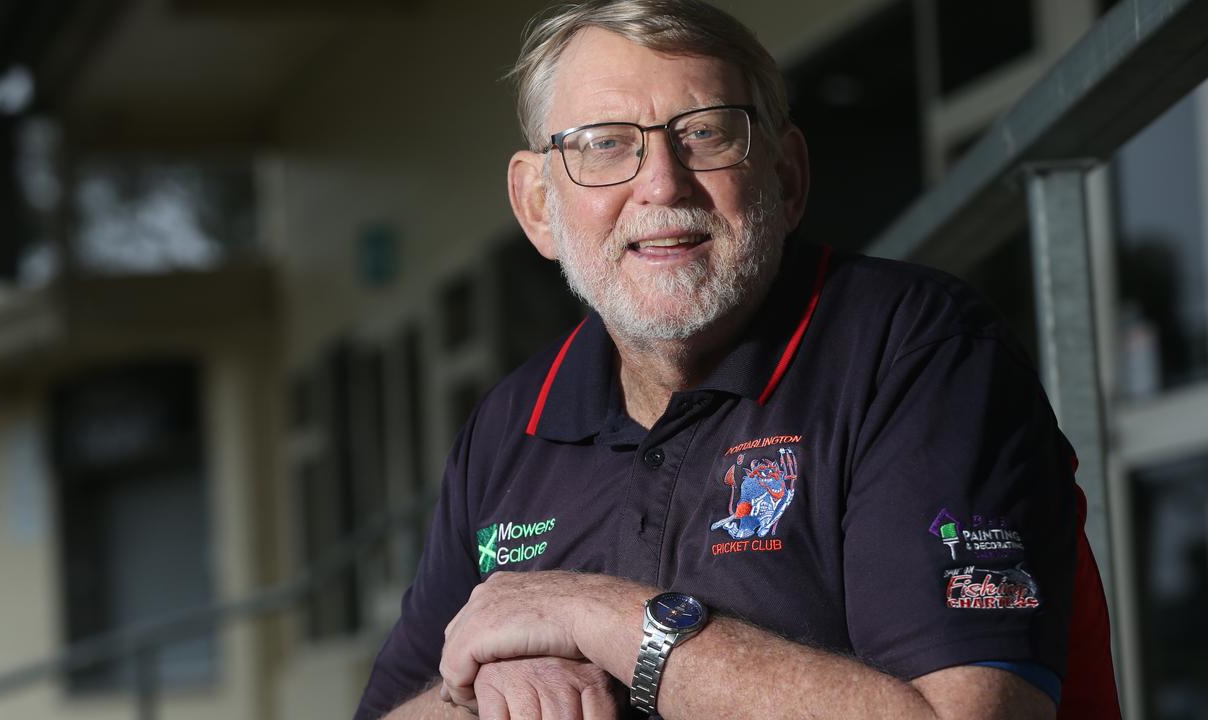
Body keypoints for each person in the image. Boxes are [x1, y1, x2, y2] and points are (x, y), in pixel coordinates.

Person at [355, 1, 1120, 718]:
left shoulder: (914, 349)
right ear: (536, 206)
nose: (660, 183)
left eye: (705, 134)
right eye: (605, 144)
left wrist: (591, 614)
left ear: (786, 178)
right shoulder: (510, 424)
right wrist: (490, 686)